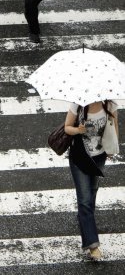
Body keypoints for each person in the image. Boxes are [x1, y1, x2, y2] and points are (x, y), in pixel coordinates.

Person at [64, 100, 118, 260]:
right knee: (85, 199)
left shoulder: (110, 105)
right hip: (80, 157)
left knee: (92, 194)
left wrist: (113, 147)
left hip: (99, 157)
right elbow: (67, 128)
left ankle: (84, 219)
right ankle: (93, 245)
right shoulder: (78, 105)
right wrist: (78, 130)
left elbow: (114, 126)